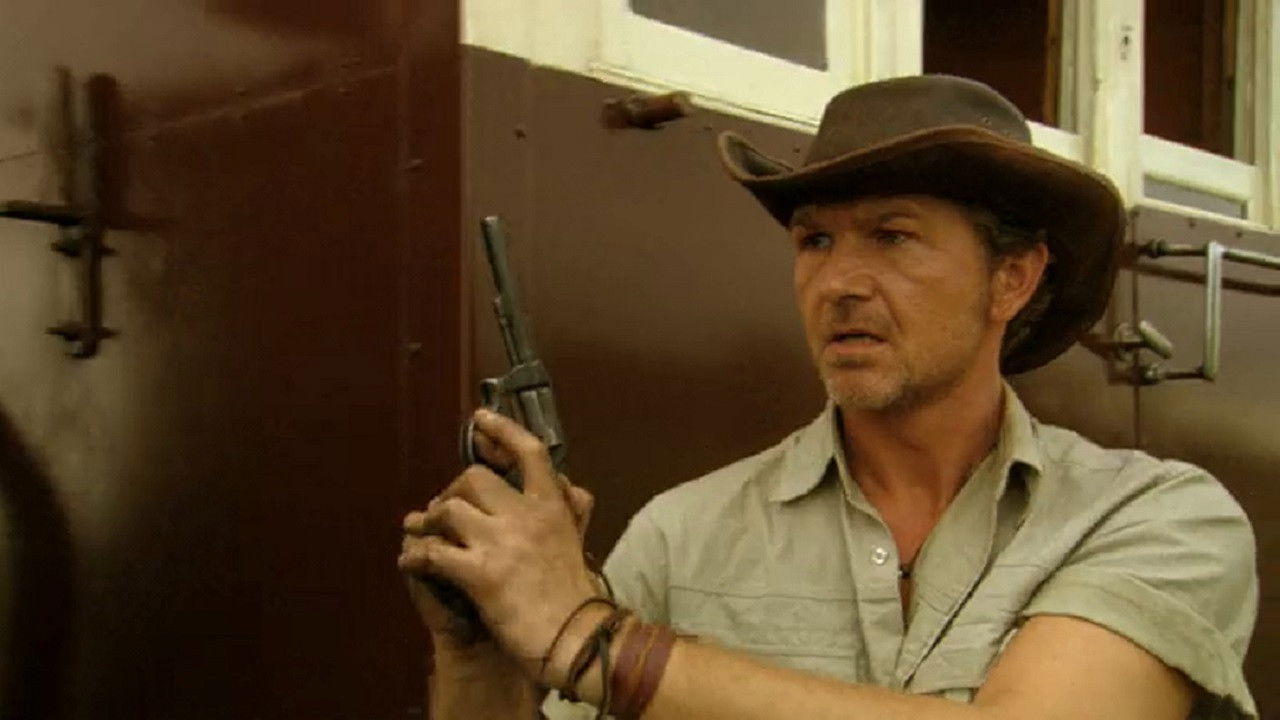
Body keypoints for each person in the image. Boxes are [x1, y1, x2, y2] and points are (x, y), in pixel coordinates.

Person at [398, 75, 1258, 720]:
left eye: (892, 236)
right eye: (814, 241)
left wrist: (598, 642)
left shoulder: (1155, 517)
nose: (839, 281)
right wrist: (483, 658)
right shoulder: (684, 535)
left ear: (1013, 279)